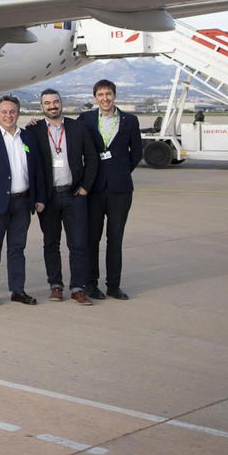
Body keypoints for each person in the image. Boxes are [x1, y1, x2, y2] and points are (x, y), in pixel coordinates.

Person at [0, 95, 46, 306]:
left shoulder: (28, 138)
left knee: (17, 248)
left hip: (23, 202)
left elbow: (37, 170)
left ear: (18, 114)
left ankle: (17, 290)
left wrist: (39, 198)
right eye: (4, 112)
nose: (8, 115)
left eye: (12, 111)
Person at [25, 89, 98, 304]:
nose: (52, 106)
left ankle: (78, 287)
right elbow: (30, 165)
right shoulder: (34, 130)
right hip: (47, 198)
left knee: (78, 244)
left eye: (55, 102)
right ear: (42, 107)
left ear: (61, 103)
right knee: (51, 244)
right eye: (47, 103)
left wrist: (85, 186)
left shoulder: (78, 127)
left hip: (74, 194)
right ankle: (55, 285)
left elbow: (92, 158)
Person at [79, 79, 142, 300]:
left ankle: (113, 285)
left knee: (115, 238)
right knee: (91, 238)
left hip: (120, 189)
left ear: (114, 95)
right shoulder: (85, 119)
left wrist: (120, 172)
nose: (105, 98)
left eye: (108, 94)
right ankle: (90, 284)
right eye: (100, 95)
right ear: (95, 98)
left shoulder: (130, 120)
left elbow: (136, 153)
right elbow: (74, 142)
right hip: (94, 188)